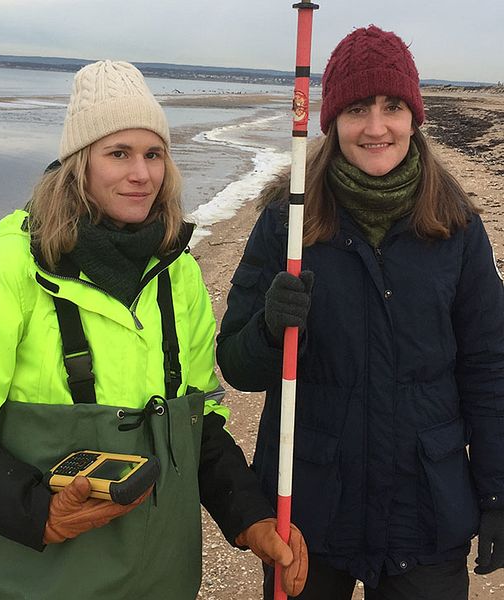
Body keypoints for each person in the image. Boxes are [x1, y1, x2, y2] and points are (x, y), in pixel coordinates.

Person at [0, 60, 308, 599]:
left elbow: (198, 425)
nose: (141, 174)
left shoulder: (178, 277)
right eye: (118, 153)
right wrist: (41, 512)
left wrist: (250, 517)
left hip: (161, 576)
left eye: (153, 154)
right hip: (31, 579)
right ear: (78, 165)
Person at [217, 25, 504, 600]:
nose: (376, 127)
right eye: (356, 109)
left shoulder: (458, 229)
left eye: (392, 106)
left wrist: (497, 493)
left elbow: (489, 369)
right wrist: (271, 327)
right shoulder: (288, 223)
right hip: (308, 511)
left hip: (425, 509)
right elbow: (236, 366)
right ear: (331, 122)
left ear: (414, 115)